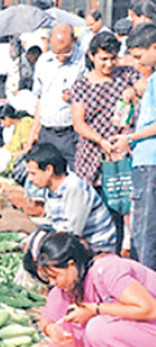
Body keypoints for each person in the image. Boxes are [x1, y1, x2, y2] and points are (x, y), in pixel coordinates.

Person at [26, 231, 156, 347]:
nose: (52, 282)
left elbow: (149, 309)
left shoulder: (107, 270)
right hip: (146, 340)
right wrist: (51, 329)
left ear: (71, 265)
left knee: (98, 328)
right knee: (83, 324)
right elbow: (46, 319)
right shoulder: (69, 287)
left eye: (54, 276)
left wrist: (96, 309)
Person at [71, 31, 140, 191]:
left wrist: (134, 91)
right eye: (104, 59)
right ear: (91, 56)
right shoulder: (82, 85)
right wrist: (101, 141)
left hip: (122, 152)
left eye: (113, 58)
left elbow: (146, 85)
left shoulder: (127, 75)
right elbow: (78, 123)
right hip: (91, 153)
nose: (109, 64)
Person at [113, 23, 156, 269]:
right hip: (146, 160)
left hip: (150, 163)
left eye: (140, 57)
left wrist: (130, 138)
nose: (138, 63)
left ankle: (147, 295)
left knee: (145, 234)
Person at [26, 142, 118, 252]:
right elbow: (51, 222)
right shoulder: (50, 189)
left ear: (49, 170)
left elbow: (72, 231)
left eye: (33, 173)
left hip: (97, 246)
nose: (30, 179)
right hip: (70, 239)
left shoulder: (75, 188)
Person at [29, 24, 86, 168]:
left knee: (74, 177)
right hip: (47, 132)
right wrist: (34, 130)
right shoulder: (43, 62)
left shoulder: (83, 62)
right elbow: (40, 98)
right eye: (56, 53)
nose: (61, 58)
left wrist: (76, 96)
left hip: (71, 133)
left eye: (66, 53)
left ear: (75, 41)